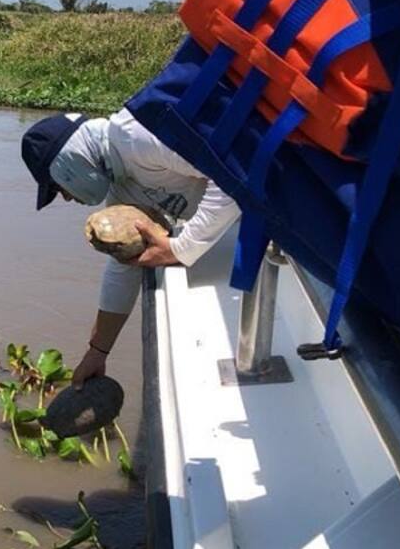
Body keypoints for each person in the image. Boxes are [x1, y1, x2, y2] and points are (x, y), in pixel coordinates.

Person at [21, 110, 240, 388]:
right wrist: (98, 351)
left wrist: (182, 249)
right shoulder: (123, 187)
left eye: (58, 187)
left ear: (67, 164)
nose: (65, 197)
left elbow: (233, 172)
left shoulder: (138, 135)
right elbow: (123, 268)